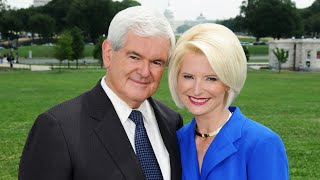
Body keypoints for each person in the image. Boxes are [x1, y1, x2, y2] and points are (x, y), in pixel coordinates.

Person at [19, 6, 183, 180]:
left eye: (156, 62)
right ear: (108, 53)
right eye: (134, 57)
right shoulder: (58, 128)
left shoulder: (172, 122)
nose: (144, 71)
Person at [168, 23, 289, 180]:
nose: (197, 90)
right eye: (188, 77)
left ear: (227, 82)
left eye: (211, 78)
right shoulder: (176, 141)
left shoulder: (262, 143)